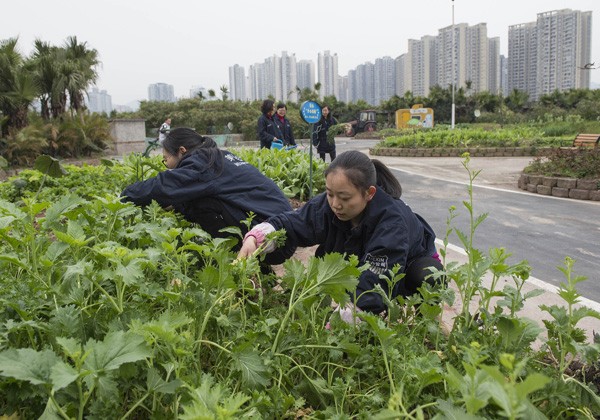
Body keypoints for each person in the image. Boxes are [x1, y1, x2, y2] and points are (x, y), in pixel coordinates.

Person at [237, 150, 444, 315]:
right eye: (329, 194)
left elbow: (377, 275)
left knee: (427, 277)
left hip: (407, 263)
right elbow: (293, 223)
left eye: (344, 197)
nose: (335, 204)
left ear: (369, 193)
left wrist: (348, 316)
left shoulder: (392, 220)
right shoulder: (328, 206)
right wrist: (258, 239)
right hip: (363, 255)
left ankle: (426, 325)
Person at [122, 128, 293, 256]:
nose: (166, 164)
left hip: (271, 234)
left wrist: (123, 197)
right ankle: (255, 268)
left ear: (182, 151)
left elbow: (163, 186)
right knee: (196, 200)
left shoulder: (203, 162)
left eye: (166, 159)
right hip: (285, 227)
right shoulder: (217, 156)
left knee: (199, 204)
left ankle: (235, 262)